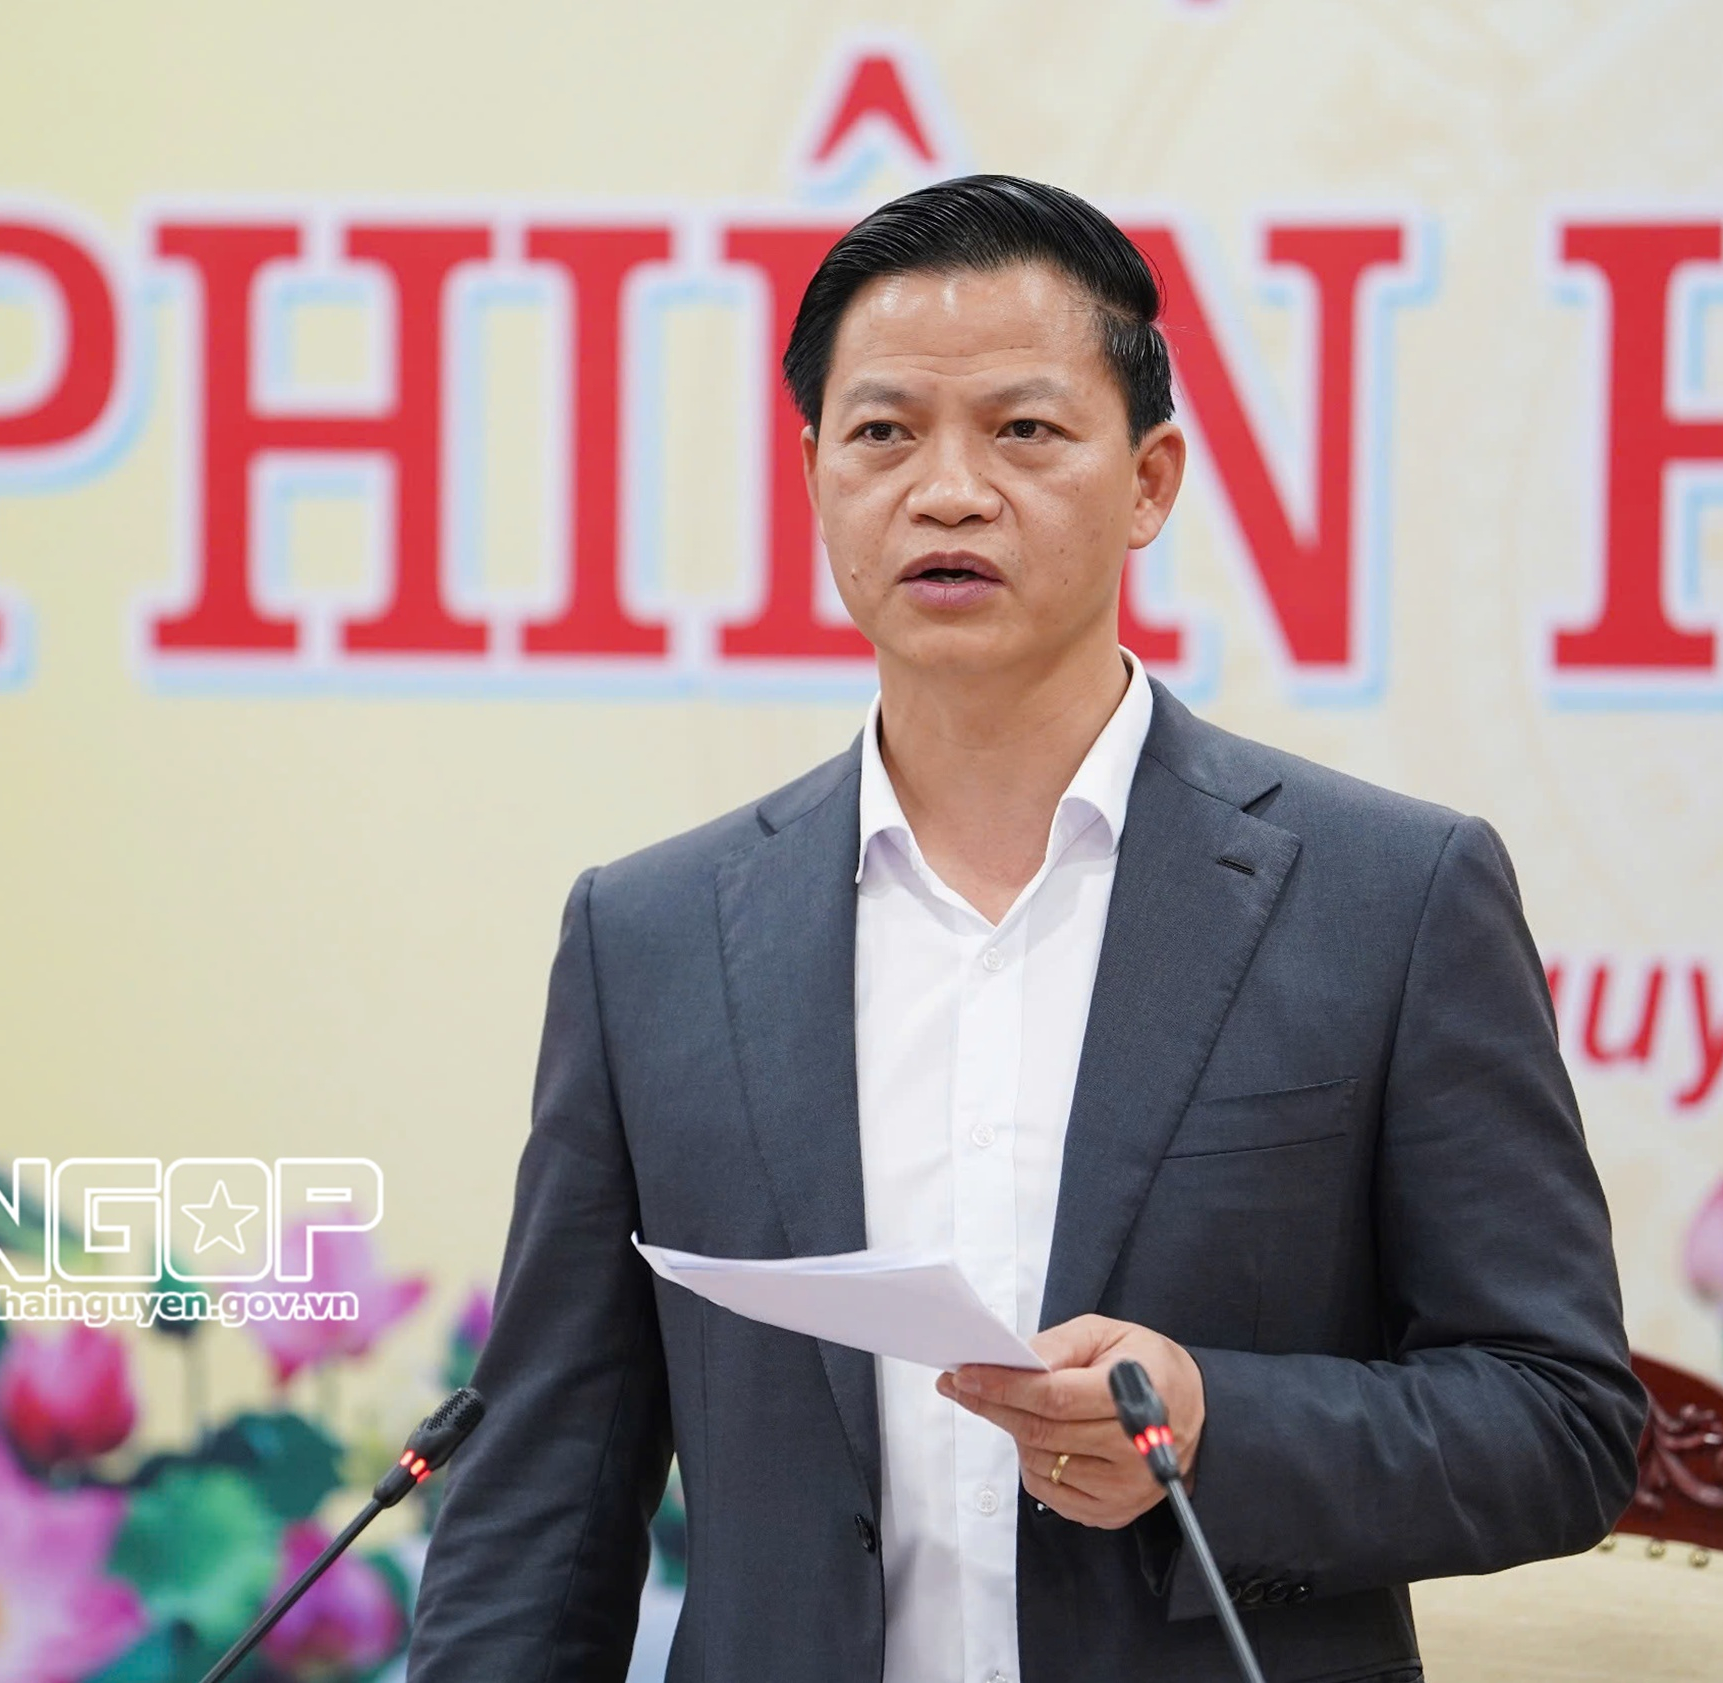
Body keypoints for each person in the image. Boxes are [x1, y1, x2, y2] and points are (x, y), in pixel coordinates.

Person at [408, 175, 1643, 1683]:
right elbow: (545, 1493)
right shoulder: (652, 937)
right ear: (813, 478)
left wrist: (1215, 1429)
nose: (947, 492)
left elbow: (1561, 1419)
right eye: (882, 434)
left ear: (1150, 481)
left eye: (1024, 431)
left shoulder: (1388, 895)